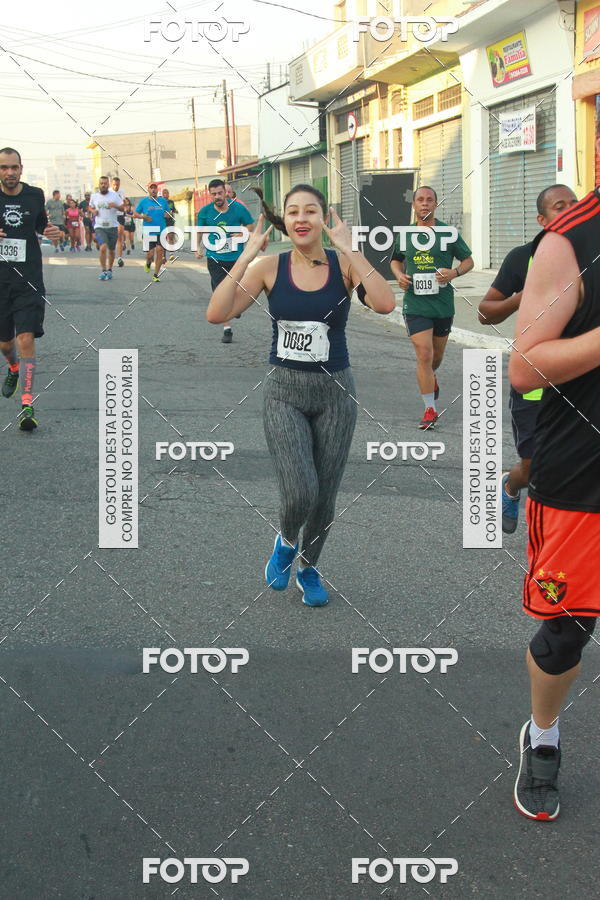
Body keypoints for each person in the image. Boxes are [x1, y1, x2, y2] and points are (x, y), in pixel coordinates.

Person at [206, 184, 395, 606]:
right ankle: (287, 541)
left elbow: (384, 304)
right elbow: (217, 312)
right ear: (284, 221)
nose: (302, 218)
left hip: (336, 394)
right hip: (284, 394)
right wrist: (245, 255)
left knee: (325, 496)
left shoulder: (342, 265)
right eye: (293, 211)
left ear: (323, 219)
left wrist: (350, 248)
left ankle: (309, 568)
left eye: (311, 210)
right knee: (300, 491)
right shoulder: (269, 267)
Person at [509, 188, 600, 821]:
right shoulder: (569, 241)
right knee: (566, 635)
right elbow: (526, 366)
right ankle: (542, 735)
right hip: (584, 481)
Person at [478, 184, 577, 533]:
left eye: (572, 203)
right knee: (536, 466)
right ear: (542, 218)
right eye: (558, 206)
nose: (567, 210)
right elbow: (485, 312)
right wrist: (522, 296)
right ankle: (510, 484)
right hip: (535, 382)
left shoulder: (590, 253)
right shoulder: (523, 258)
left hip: (581, 379)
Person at [390, 186, 473, 430]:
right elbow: (396, 260)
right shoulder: (406, 234)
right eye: (420, 200)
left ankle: (431, 378)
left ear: (436, 204)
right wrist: (399, 275)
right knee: (423, 354)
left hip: (442, 305)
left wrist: (454, 272)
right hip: (415, 303)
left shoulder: (448, 232)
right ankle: (430, 409)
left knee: (435, 357)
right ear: (414, 205)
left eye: (429, 200)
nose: (425, 204)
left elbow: (469, 261)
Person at [0, 147, 61, 430]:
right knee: (5, 344)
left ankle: (27, 403)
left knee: (26, 338)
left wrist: (51, 231)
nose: (9, 173)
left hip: (28, 278)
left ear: (21, 168)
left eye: (14, 167)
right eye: (4, 168)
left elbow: (42, 226)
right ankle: (13, 367)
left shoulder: (35, 195)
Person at [197, 178, 254, 343]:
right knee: (221, 291)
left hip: (236, 257)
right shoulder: (205, 212)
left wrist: (242, 231)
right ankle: (227, 329)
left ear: (225, 192)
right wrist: (198, 248)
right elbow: (199, 231)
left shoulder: (238, 209)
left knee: (235, 288)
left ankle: (235, 307)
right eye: (213, 194)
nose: (217, 196)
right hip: (215, 258)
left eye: (220, 193)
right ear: (210, 195)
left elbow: (250, 225)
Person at [89, 176, 125, 281]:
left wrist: (115, 205)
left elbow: (123, 208)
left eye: (105, 183)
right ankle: (103, 270)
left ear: (108, 184)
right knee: (103, 247)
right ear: (99, 185)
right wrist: (93, 211)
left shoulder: (114, 195)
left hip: (113, 226)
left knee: (112, 250)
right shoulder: (94, 196)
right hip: (100, 227)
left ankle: (109, 269)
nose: (103, 185)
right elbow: (90, 207)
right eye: (101, 183)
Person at [135, 182, 170, 282]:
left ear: (157, 190)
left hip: (161, 230)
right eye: (151, 188)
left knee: (159, 250)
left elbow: (168, 212)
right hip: (149, 231)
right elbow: (136, 213)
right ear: (148, 190)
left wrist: (167, 214)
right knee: (150, 255)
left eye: (155, 188)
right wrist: (143, 216)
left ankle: (155, 274)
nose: (154, 190)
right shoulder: (143, 202)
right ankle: (148, 263)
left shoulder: (163, 201)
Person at [112, 176, 126, 266]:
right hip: (111, 216)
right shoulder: (108, 192)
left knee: (119, 236)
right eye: (114, 185)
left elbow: (123, 202)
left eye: (117, 185)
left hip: (120, 216)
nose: (116, 187)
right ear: (111, 184)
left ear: (119, 184)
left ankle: (120, 258)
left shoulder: (122, 192)